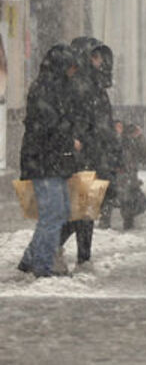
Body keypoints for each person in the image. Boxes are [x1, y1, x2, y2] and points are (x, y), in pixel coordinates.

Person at [17, 45, 82, 278]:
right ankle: (42, 266)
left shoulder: (55, 88)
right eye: (71, 67)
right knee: (53, 214)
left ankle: (32, 259)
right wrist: (69, 141)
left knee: (59, 211)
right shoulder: (46, 90)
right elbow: (49, 125)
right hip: (44, 161)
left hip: (49, 160)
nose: (73, 72)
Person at [60, 36, 121, 272]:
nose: (100, 62)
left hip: (94, 153)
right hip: (85, 155)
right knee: (82, 210)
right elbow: (82, 121)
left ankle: (79, 255)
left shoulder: (94, 86)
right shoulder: (80, 87)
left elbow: (100, 120)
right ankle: (72, 254)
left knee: (86, 210)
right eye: (95, 57)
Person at [114, 120, 146, 230]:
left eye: (120, 127)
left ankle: (128, 221)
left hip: (128, 177)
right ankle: (108, 223)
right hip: (112, 176)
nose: (118, 130)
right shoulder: (109, 140)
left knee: (129, 199)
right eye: (116, 127)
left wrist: (139, 137)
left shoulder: (131, 141)